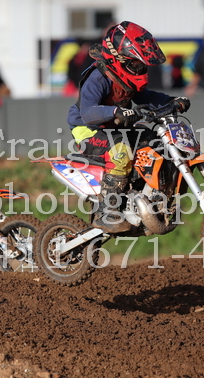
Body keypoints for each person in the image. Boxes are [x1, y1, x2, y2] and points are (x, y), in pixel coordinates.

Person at [66, 21, 190, 233]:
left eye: (142, 66)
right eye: (136, 65)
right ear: (119, 58)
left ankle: (145, 197)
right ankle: (106, 213)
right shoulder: (98, 78)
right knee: (121, 153)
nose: (140, 70)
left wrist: (171, 101)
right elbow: (87, 112)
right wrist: (115, 112)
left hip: (113, 127)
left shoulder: (127, 77)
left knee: (155, 142)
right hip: (88, 129)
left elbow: (145, 97)